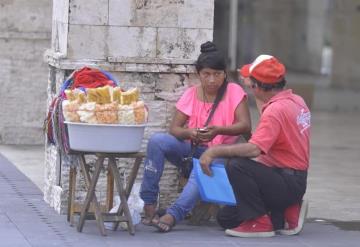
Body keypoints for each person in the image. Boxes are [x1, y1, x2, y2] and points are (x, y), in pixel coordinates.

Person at [139, 41, 252, 232]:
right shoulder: (191, 94)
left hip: (222, 153)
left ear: (224, 74)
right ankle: (149, 202)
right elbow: (175, 128)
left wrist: (218, 130)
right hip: (193, 149)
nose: (211, 80)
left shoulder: (234, 91)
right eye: (206, 74)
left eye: (217, 74)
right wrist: (191, 133)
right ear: (198, 74)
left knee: (204, 164)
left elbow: (245, 125)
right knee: (157, 141)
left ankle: (173, 214)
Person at [199, 55, 311, 237]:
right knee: (226, 218)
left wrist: (214, 150)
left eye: (251, 83)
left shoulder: (276, 111)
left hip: (287, 181)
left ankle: (260, 222)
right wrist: (257, 88)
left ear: (258, 86)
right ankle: (286, 211)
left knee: (237, 165)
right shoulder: (296, 101)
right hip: (289, 178)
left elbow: (254, 149)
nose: (248, 86)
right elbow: (268, 124)